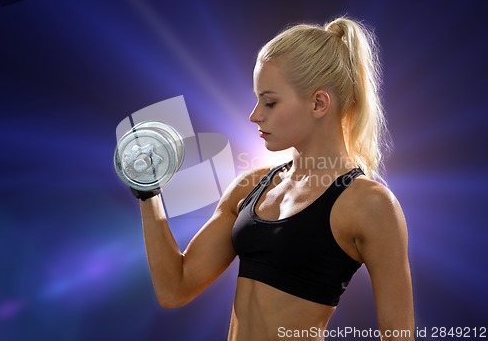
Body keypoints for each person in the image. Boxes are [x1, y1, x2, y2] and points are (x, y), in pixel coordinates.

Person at [134, 17, 414, 341]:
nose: (255, 114)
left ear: (318, 103)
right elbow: (175, 288)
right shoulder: (250, 187)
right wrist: (147, 191)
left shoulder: (370, 204)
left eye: (269, 102)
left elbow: (399, 335)